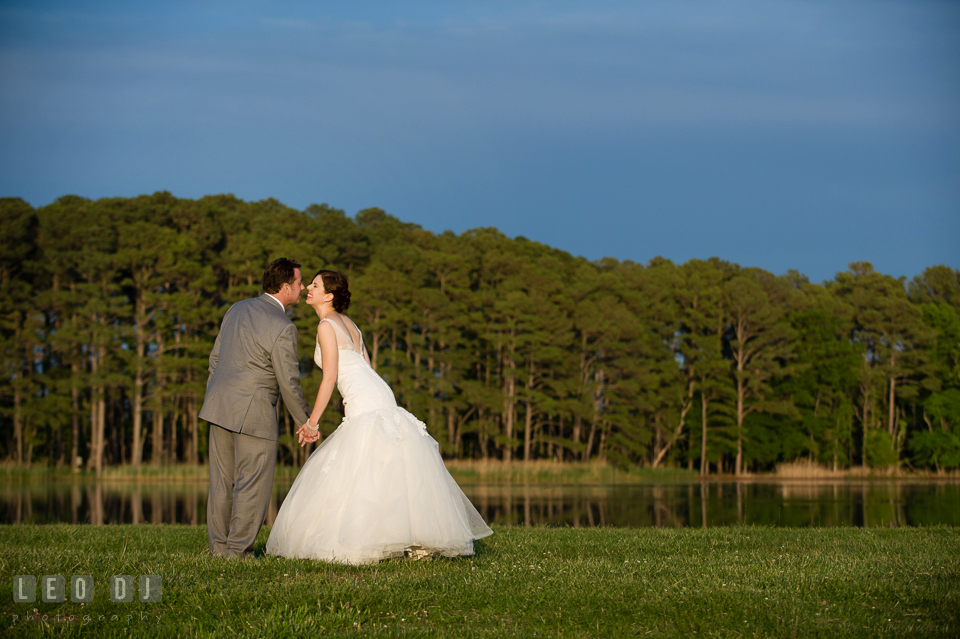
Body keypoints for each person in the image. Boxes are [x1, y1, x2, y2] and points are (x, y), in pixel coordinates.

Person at [266, 269, 492, 564]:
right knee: (385, 463)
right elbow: (367, 366)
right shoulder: (351, 324)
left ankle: (369, 539)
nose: (308, 287)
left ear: (329, 295)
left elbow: (330, 377)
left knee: (365, 462)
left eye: (315, 285)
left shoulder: (325, 326)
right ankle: (405, 535)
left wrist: (312, 422)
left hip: (364, 397)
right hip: (378, 391)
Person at [200, 258, 313, 559]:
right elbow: (288, 382)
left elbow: (214, 359)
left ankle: (219, 550)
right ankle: (238, 553)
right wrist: (306, 421)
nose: (303, 288)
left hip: (218, 406)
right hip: (255, 412)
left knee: (221, 482)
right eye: (300, 283)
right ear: (286, 287)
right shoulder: (283, 326)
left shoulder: (236, 308)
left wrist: (218, 394)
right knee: (252, 484)